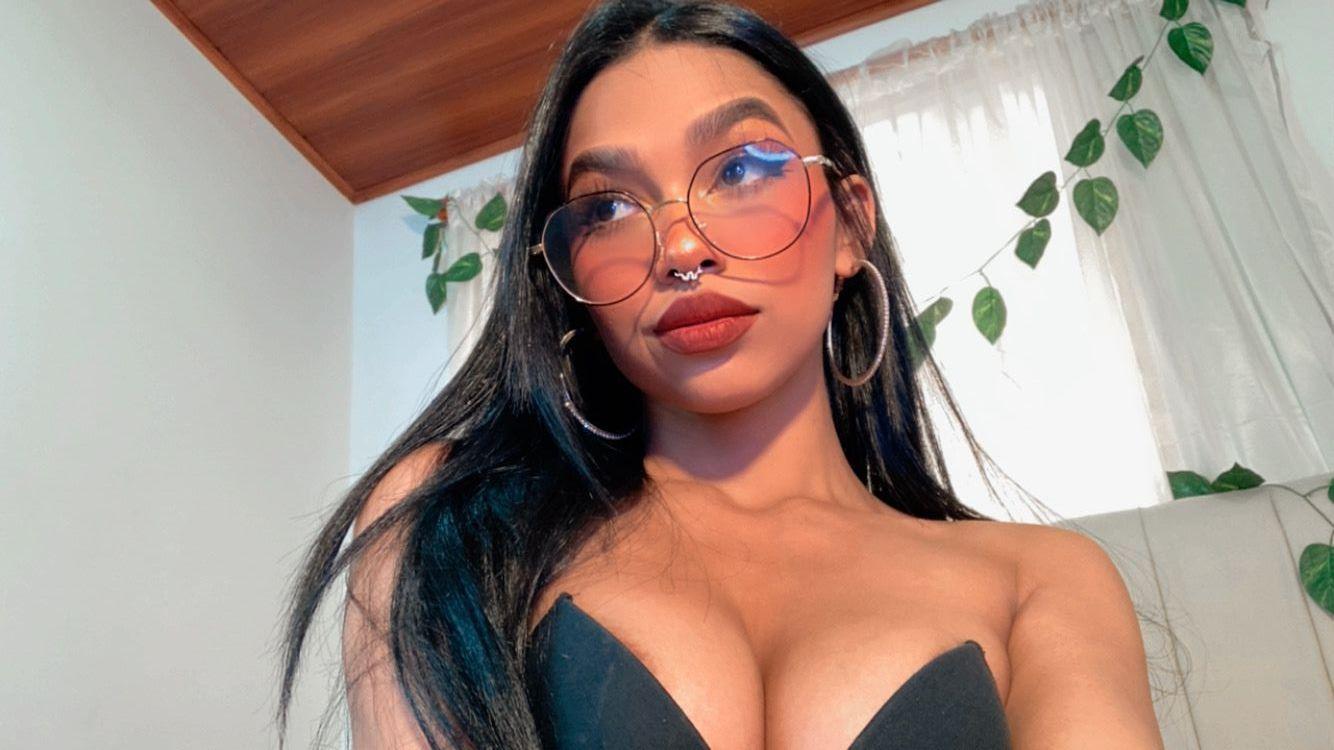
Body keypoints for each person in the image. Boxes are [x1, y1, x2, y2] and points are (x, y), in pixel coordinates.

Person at [276, 1, 1166, 748]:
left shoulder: (1042, 582)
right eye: (608, 207)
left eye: (741, 168)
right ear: (569, 278)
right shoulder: (451, 522)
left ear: (850, 223)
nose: (680, 247)